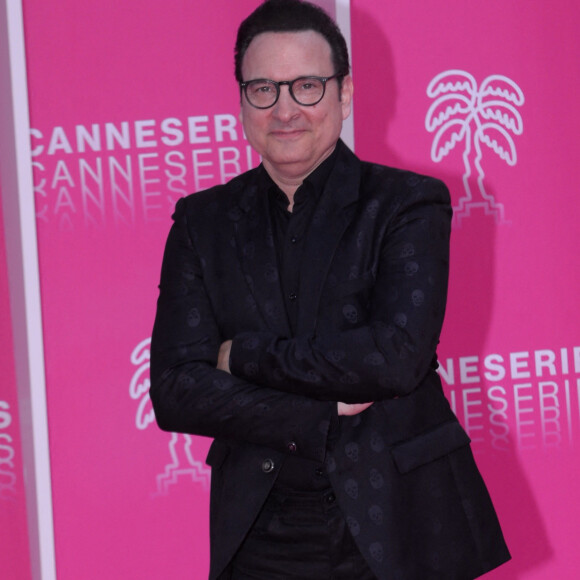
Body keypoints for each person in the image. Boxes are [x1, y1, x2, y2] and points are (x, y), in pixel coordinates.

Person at [150, 1, 511, 578]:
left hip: (400, 516)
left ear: (344, 95)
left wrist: (242, 355)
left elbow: (393, 358)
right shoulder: (202, 223)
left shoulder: (407, 203)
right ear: (242, 101)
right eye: (263, 88)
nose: (285, 109)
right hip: (260, 529)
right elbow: (174, 389)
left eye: (308, 87)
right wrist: (313, 418)